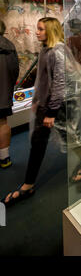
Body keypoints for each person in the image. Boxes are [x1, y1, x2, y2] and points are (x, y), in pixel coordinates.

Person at [1, 17, 81, 206]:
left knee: (67, 137)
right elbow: (44, 80)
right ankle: (29, 184)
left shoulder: (57, 51)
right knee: (40, 142)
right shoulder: (46, 50)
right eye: (37, 29)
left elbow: (59, 84)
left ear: (50, 31)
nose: (37, 32)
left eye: (41, 29)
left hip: (58, 105)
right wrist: (37, 100)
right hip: (49, 104)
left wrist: (51, 112)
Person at [0, 20, 19, 168]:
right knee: (2, 123)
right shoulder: (9, 45)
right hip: (3, 92)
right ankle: (4, 158)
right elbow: (14, 70)